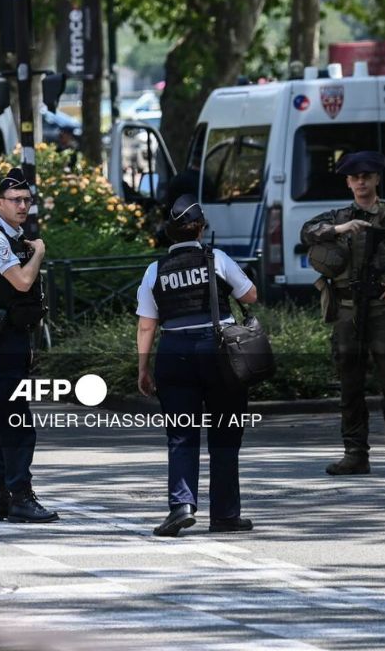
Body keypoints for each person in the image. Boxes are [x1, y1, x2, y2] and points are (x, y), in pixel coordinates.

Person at [300, 151, 385, 476]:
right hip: (347, 311)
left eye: (366, 176)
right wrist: (340, 229)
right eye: (354, 177)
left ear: (376, 179)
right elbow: (307, 233)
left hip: (384, 311)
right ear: (348, 182)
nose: (361, 181)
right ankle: (355, 453)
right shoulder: (338, 216)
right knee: (350, 384)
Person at [136, 194, 257, 537]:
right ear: (201, 229)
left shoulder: (154, 270)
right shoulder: (215, 259)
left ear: (167, 233)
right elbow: (250, 296)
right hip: (218, 353)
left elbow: (147, 324)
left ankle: (181, 506)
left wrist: (143, 368)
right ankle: (225, 514)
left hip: (174, 354)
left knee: (181, 435)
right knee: (225, 434)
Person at [0, 167, 58, 523]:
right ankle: (20, 495)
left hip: (14, 338)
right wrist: (39, 252)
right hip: (3, 339)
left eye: (26, 200)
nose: (23, 206)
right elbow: (21, 282)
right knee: (17, 422)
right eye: (15, 200)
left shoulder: (13, 237)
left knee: (7, 420)